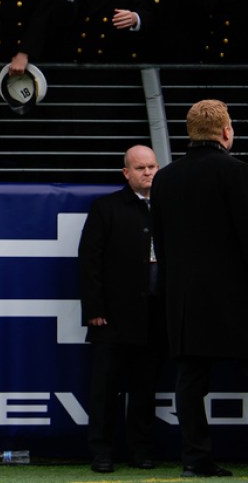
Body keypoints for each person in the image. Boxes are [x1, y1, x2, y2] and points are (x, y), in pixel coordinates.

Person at [151, 99, 248, 479]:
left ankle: (194, 458)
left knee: (190, 380)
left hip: (185, 300)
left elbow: (160, 239)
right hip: (236, 299)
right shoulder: (237, 173)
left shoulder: (164, 178)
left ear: (190, 132)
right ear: (226, 131)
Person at [77, 145, 167, 474]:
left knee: (145, 388)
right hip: (112, 317)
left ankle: (140, 450)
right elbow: (90, 262)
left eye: (153, 166)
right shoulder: (106, 208)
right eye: (140, 168)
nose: (148, 173)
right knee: (105, 388)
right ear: (126, 173)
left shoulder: (169, 208)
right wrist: (95, 309)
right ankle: (101, 451)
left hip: (155, 316)